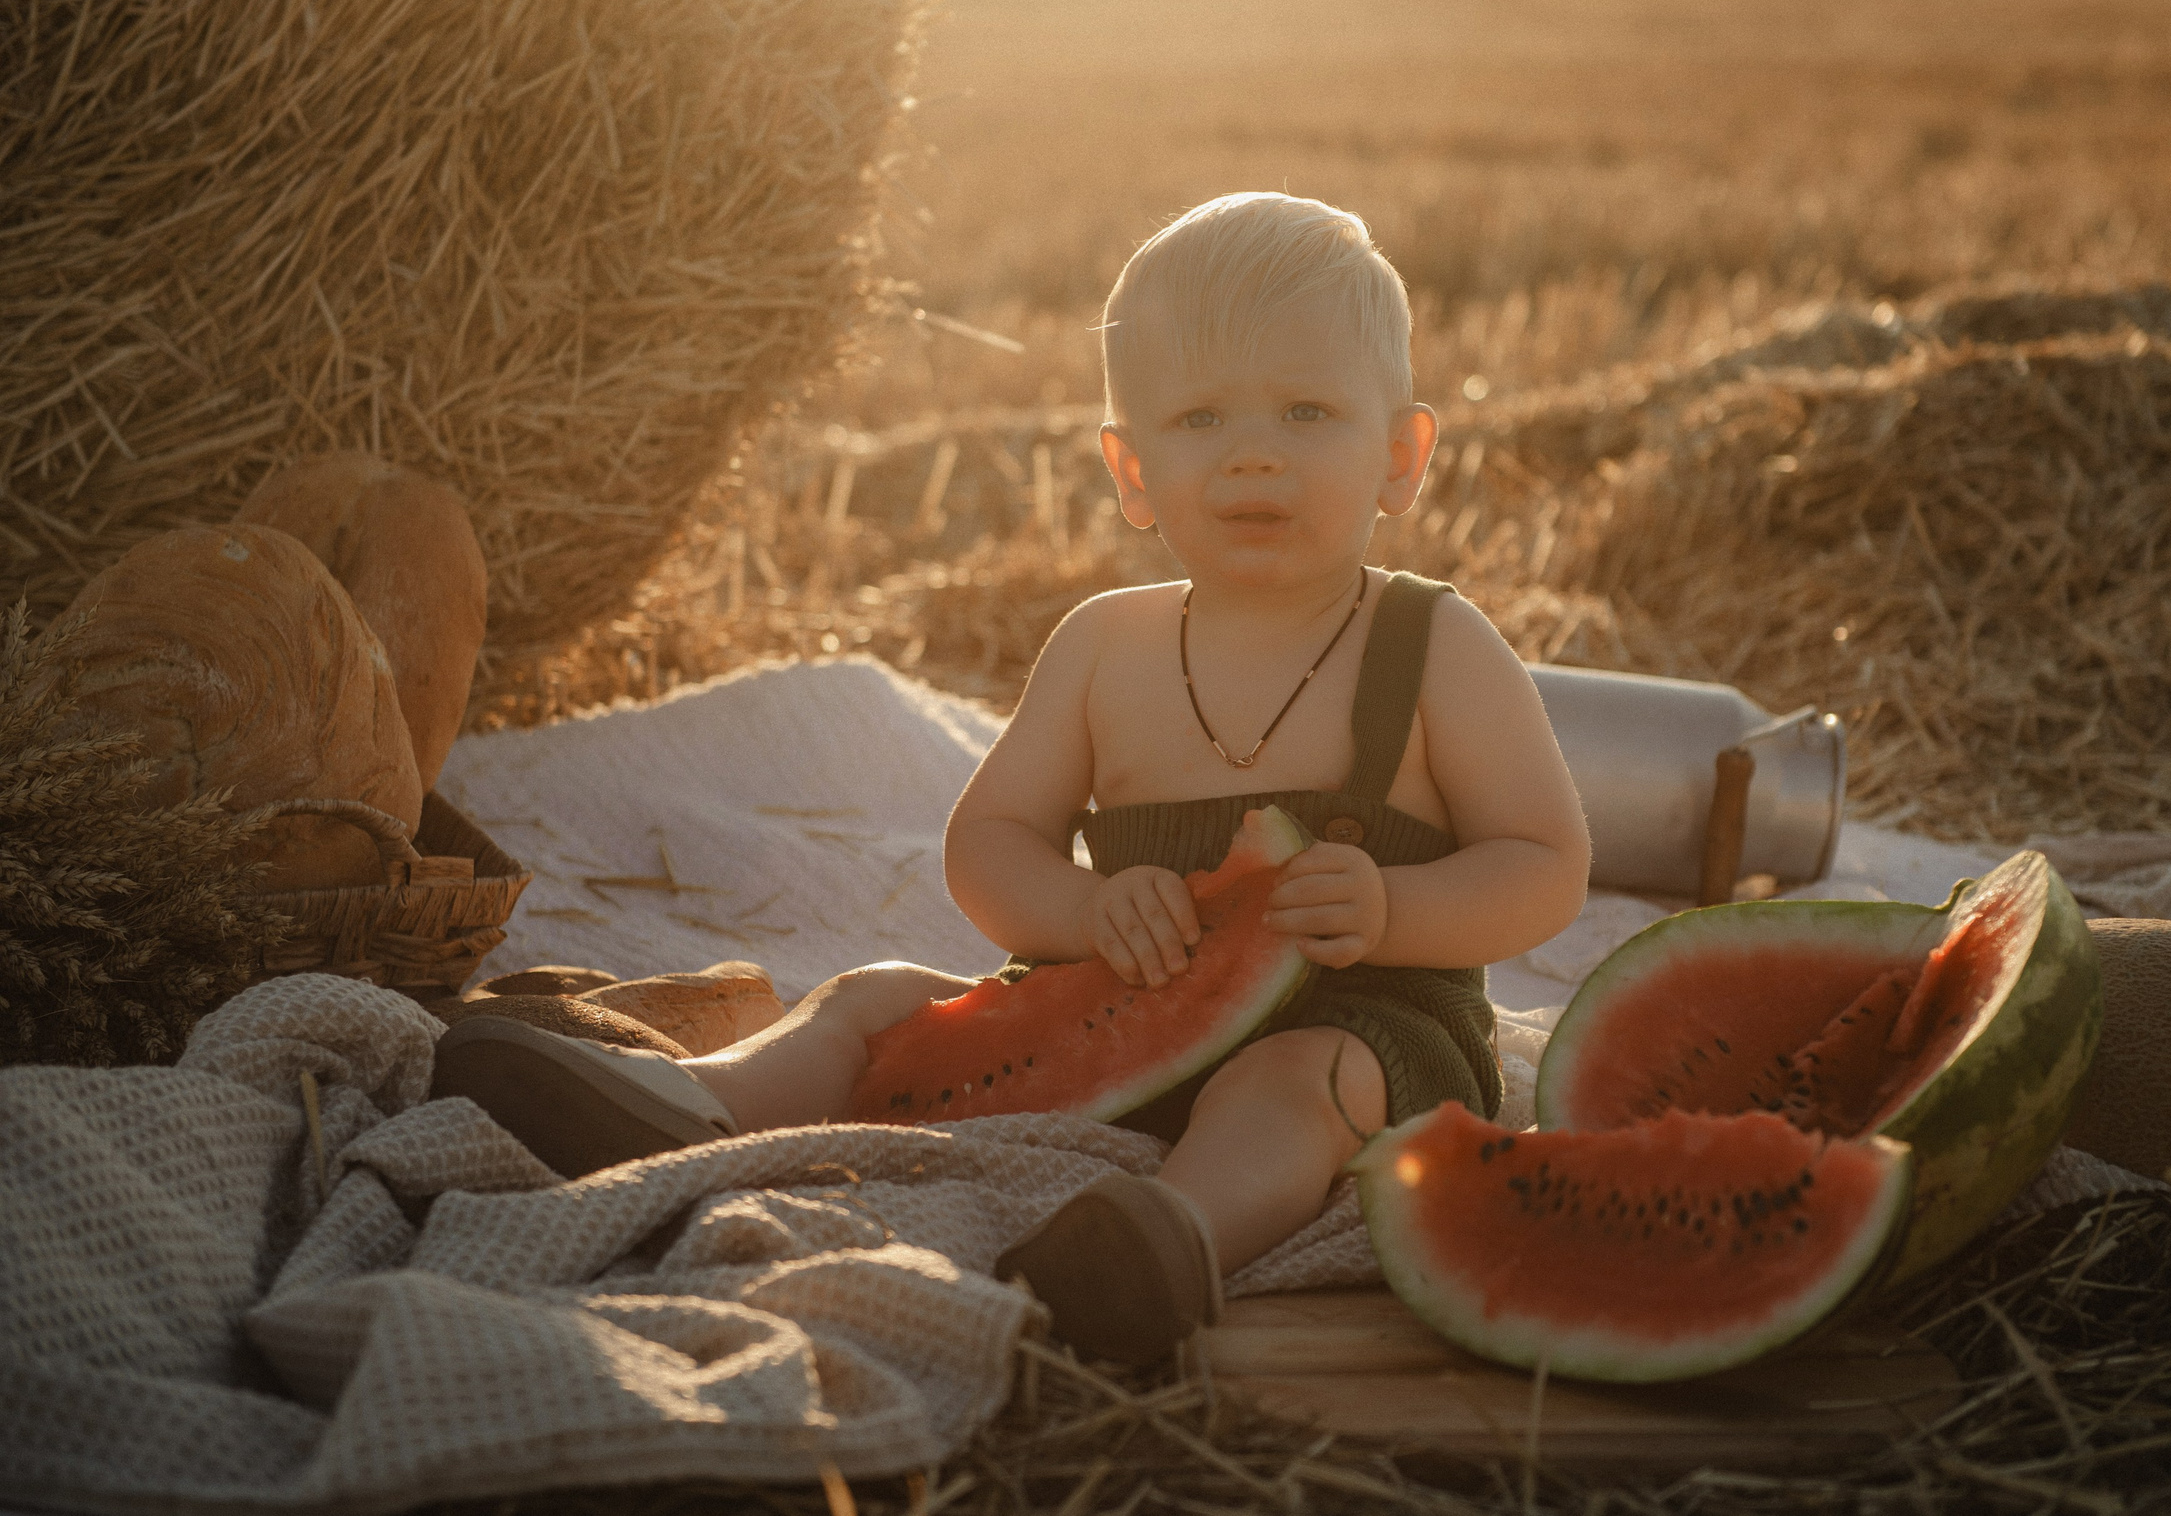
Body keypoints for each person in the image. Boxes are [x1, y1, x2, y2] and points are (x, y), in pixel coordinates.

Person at [432, 192, 1591, 1365]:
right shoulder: (1104, 647)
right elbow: (989, 843)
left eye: (1307, 409)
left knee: (1293, 1079)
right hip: (1103, 1001)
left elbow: (1546, 863)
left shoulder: (1436, 645)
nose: (1253, 449)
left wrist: (1399, 909)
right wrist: (1082, 909)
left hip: (1374, 1021)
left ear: (1400, 455)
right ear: (1131, 470)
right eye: (1199, 416)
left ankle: (1169, 1238)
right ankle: (689, 1102)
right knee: (875, 994)